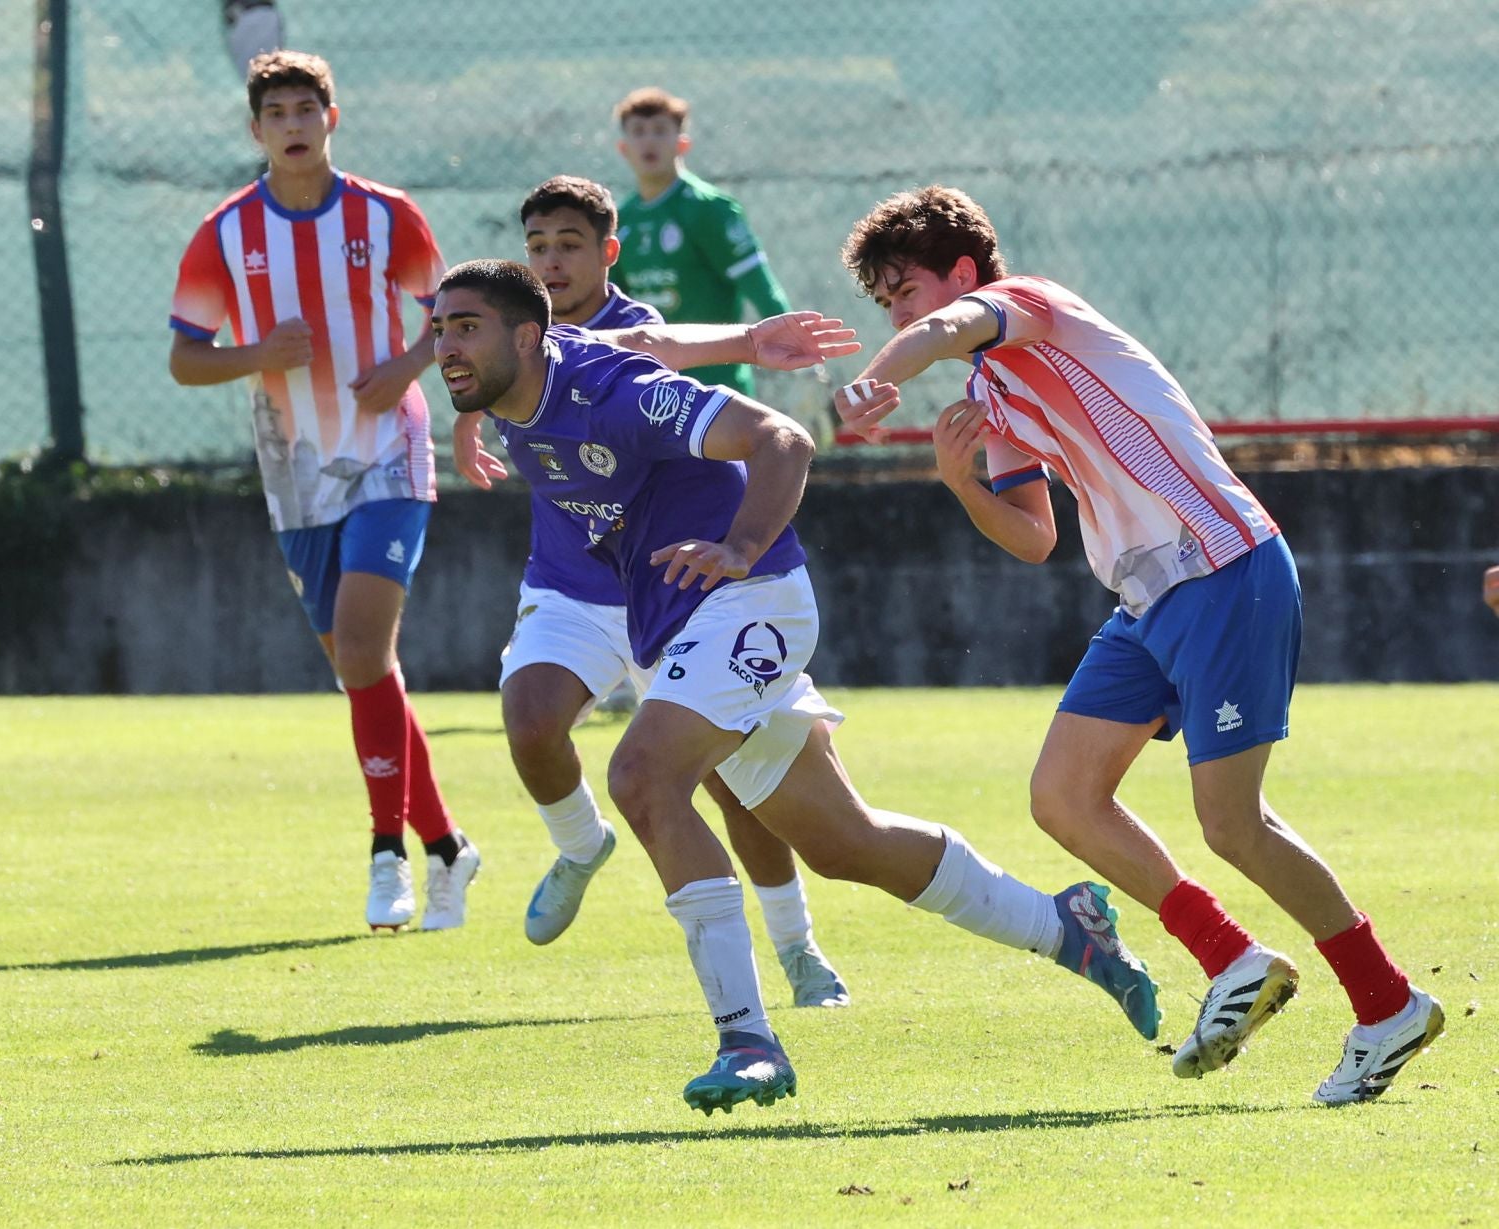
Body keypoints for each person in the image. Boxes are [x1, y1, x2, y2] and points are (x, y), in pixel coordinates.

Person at [431, 258, 1161, 1114]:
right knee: (846, 843)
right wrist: (475, 418)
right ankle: (1067, 928)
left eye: (466, 328)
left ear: (528, 337)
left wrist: (740, 545)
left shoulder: (613, 393)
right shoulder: (522, 388)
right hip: (680, 624)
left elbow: (783, 438)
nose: (446, 347)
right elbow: (643, 336)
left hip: (751, 602)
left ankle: (747, 1040)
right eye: (440, 329)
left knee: (642, 775)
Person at [835, 184, 1443, 1105]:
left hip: (1223, 565)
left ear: (961, 274)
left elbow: (946, 328)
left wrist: (879, 376)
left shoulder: (1032, 305)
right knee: (1063, 796)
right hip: (1147, 598)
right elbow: (1033, 536)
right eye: (884, 303)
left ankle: (1388, 1004)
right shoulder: (988, 392)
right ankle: (1233, 959)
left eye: (904, 291)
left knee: (1232, 822)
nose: (898, 314)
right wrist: (961, 486)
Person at [449, 176, 849, 1007]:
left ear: (609, 253)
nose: (551, 261)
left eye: (569, 245)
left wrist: (751, 339)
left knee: (734, 784)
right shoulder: (499, 333)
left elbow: (652, 341)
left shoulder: (619, 341)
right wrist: (464, 418)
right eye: (537, 246)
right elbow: (477, 367)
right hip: (572, 584)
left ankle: (798, 945)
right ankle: (580, 845)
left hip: (669, 588)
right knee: (529, 719)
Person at [168, 51, 479, 934]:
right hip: (296, 471)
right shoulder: (225, 233)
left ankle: (389, 854)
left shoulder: (387, 215)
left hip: (389, 453)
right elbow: (185, 356)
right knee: (359, 671)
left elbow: (450, 318)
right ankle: (449, 845)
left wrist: (406, 368)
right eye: (277, 113)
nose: (294, 125)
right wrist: (256, 355)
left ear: (332, 118)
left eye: (307, 108)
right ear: (255, 129)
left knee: (365, 650)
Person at [609, 88, 790, 397]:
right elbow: (611, 302)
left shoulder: (710, 209)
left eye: (660, 130)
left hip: (718, 386)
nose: (649, 141)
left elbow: (759, 284)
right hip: (650, 387)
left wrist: (794, 341)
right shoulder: (620, 220)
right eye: (638, 131)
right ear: (624, 148)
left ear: (682, 143)